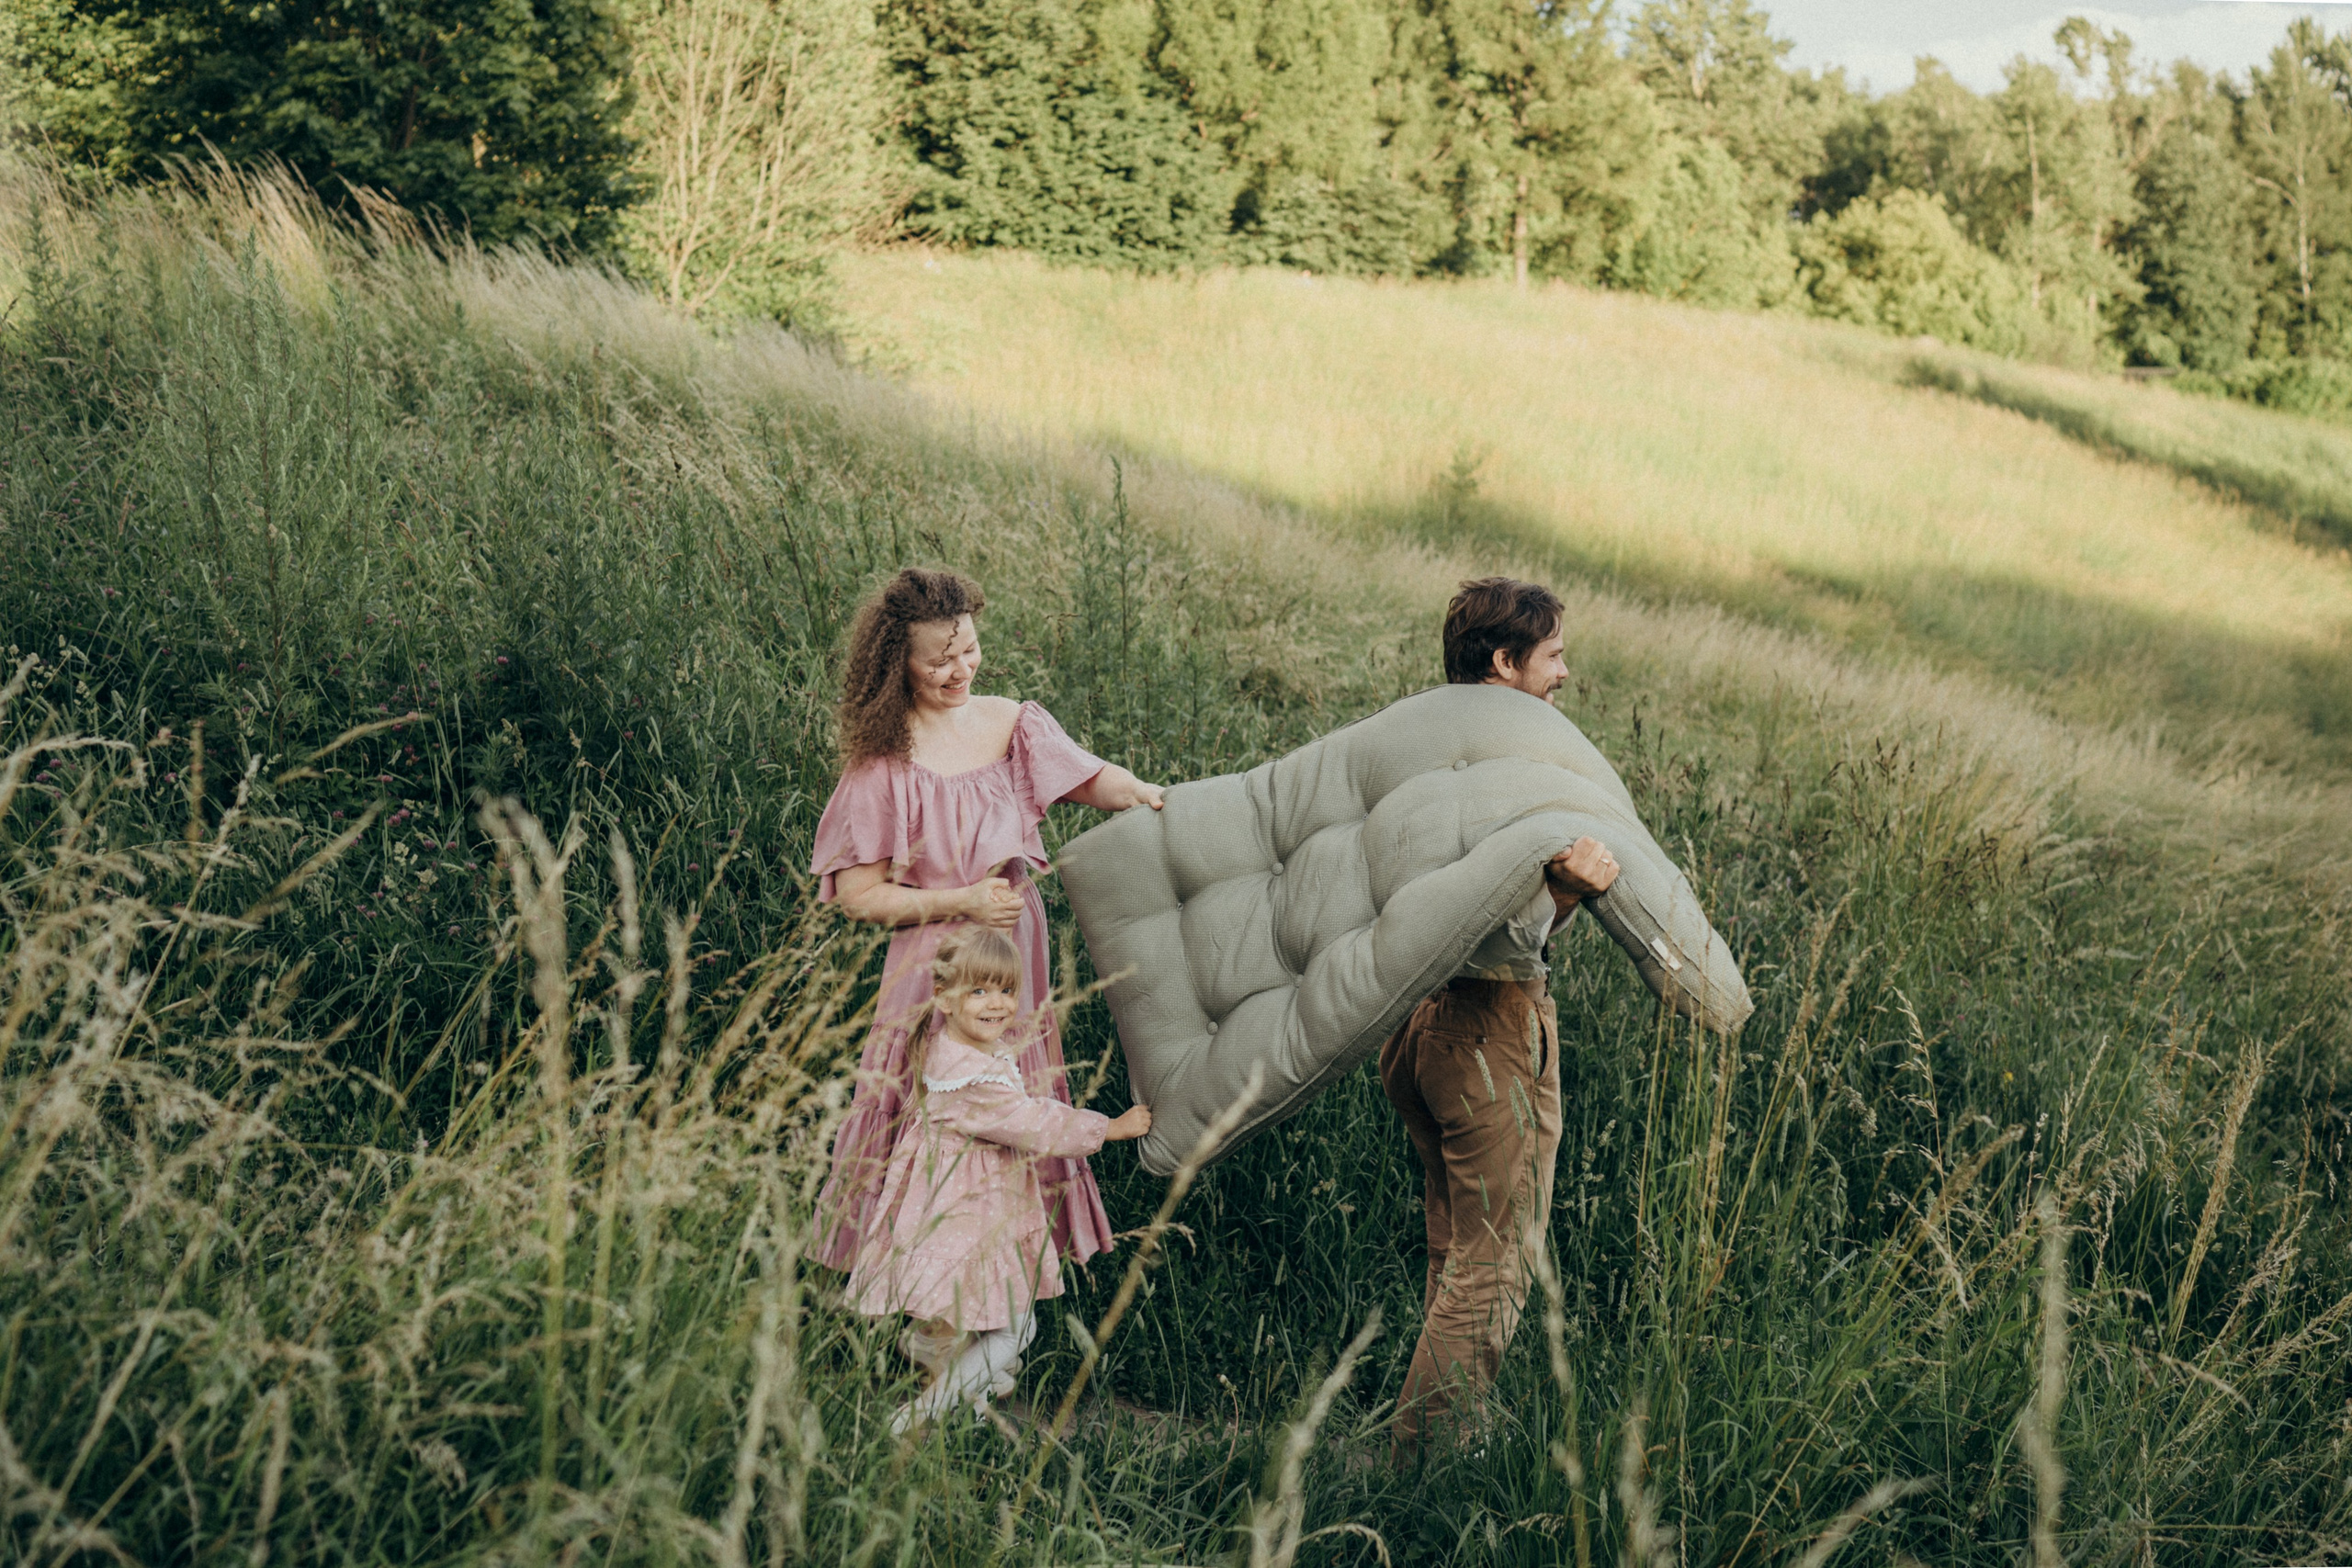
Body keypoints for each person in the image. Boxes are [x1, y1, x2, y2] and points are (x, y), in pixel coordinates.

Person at [809, 566, 1164, 1281]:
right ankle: (905, 1277)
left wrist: (1145, 794)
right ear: (896, 664)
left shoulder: (1009, 722)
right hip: (933, 967)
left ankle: (1010, 1274)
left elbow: (1089, 778)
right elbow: (858, 895)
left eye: (967, 648)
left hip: (1010, 953)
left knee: (1014, 1098)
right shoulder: (884, 761)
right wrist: (961, 900)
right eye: (938, 659)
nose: (959, 669)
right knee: (926, 1106)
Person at [1381, 576, 1621, 1458]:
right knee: (1494, 1265)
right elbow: (1502, 923)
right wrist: (1565, 889)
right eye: (1552, 655)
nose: (1564, 672)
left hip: (1423, 1028)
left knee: (1459, 1251)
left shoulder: (1428, 751)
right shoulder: (1505, 773)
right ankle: (1423, 1467)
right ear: (1504, 663)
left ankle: (1447, 1428)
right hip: (1488, 1027)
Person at [846, 928, 1152, 1431]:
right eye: (979, 991)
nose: (997, 1005)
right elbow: (1035, 1121)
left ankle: (947, 1374)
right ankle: (916, 1416)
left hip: (961, 1211)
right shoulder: (974, 1080)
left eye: (1007, 991)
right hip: (965, 1215)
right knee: (1015, 1330)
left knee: (977, 1318)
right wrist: (1110, 1128)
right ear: (943, 997)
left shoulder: (948, 1044)